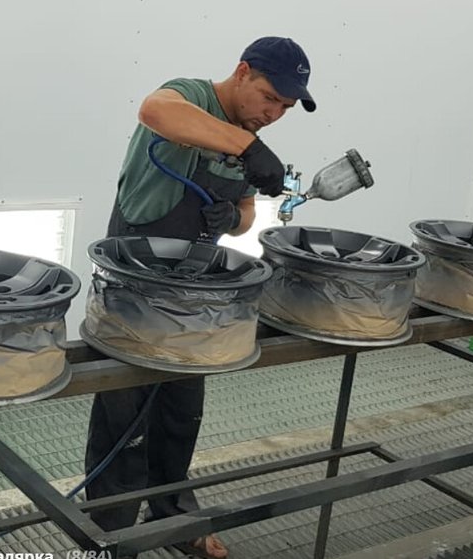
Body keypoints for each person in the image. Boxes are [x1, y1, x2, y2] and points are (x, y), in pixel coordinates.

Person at [85, 36, 317, 559]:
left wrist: (232, 217)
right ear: (242, 71)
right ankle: (110, 534)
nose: (273, 114)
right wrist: (246, 147)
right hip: (136, 283)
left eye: (284, 107)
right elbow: (155, 110)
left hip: (195, 295)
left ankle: (174, 518)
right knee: (124, 412)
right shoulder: (192, 96)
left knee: (181, 410)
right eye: (269, 97)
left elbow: (247, 214)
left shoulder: (249, 132)